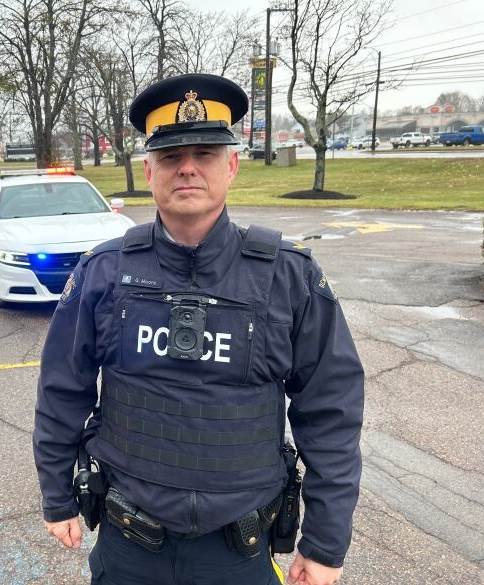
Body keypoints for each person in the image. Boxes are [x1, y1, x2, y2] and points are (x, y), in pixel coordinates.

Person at [33, 73, 363, 585]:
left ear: (231, 165)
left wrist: (324, 542)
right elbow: (62, 391)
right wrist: (57, 497)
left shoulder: (289, 276)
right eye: (170, 156)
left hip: (239, 553)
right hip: (128, 550)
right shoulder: (103, 272)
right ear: (149, 170)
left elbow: (332, 413)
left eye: (205, 154)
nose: (187, 168)